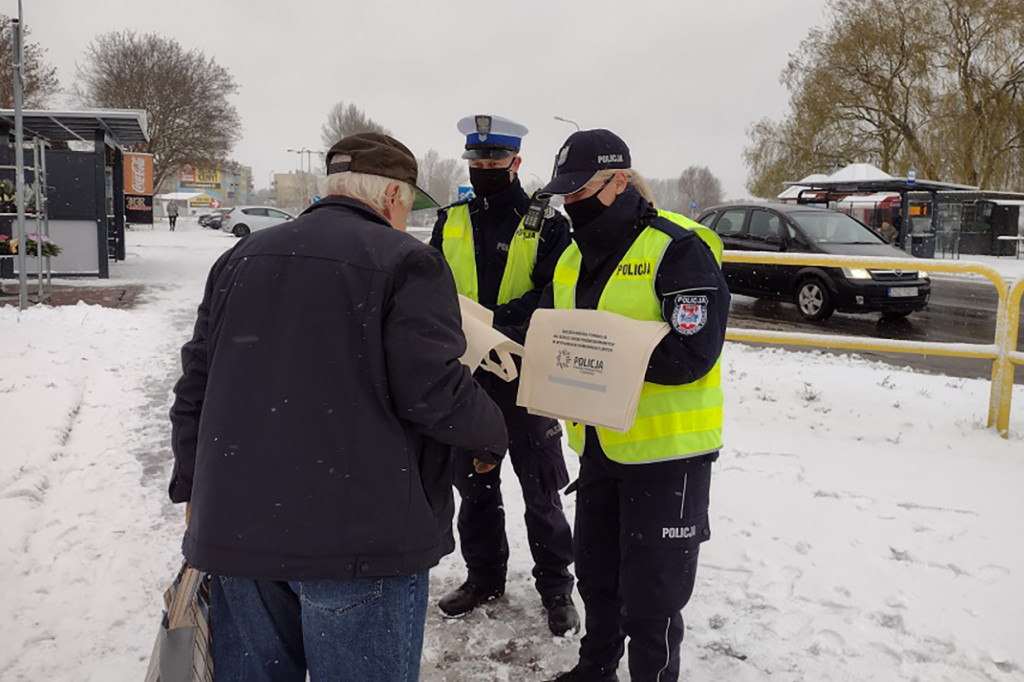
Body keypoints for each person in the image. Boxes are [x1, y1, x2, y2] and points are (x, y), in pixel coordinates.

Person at [168, 132, 508, 682]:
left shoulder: (240, 258)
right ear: (394, 198)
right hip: (360, 543)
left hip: (239, 537)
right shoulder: (407, 262)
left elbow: (195, 389)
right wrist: (491, 433)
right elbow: (432, 391)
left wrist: (193, 485)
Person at [532, 129, 730, 682]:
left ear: (619, 181)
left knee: (653, 597)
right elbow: (556, 330)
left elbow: (695, 352)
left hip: (668, 458)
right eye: (564, 195)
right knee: (597, 576)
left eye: (581, 192)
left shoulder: (679, 248)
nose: (571, 205)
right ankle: (595, 667)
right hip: (600, 450)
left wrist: (603, 356)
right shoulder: (571, 256)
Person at [430, 114, 579, 636]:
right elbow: (428, 289)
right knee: (474, 490)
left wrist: (497, 325)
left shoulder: (548, 222)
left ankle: (557, 588)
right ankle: (484, 576)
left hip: (525, 374)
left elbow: (556, 292)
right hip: (467, 379)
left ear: (516, 163)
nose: (485, 169)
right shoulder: (448, 220)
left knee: (541, 490)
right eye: (477, 161)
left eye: (494, 161)